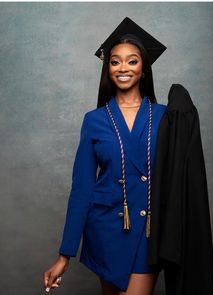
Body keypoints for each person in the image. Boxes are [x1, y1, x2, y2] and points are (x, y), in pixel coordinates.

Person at [43, 17, 167, 294]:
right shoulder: (94, 120)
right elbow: (82, 189)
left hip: (148, 233)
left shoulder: (166, 117)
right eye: (115, 61)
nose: (123, 68)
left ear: (144, 68)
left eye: (132, 61)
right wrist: (65, 254)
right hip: (105, 232)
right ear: (108, 68)